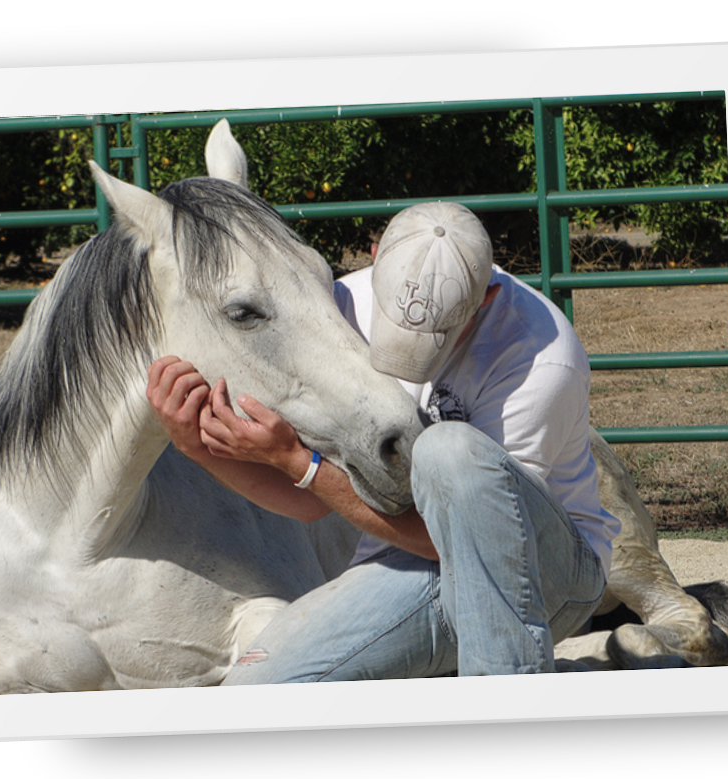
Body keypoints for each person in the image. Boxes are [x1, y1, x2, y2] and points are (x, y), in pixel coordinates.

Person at [147, 201, 620, 680]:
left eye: (436, 335)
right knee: (262, 683)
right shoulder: (342, 304)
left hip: (544, 569)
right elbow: (314, 504)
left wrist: (298, 462)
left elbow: (480, 542)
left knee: (448, 450)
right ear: (373, 258)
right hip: (408, 561)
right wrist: (195, 446)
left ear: (486, 300)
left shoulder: (541, 360)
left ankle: (506, 696)